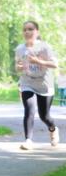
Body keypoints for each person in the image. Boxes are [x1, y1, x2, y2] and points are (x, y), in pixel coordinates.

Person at [14, 20, 58, 150]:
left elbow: (55, 65)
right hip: (27, 82)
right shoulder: (20, 49)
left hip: (44, 84)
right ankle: (28, 140)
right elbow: (17, 66)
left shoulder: (45, 47)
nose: (27, 32)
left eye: (30, 29)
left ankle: (53, 128)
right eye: (25, 30)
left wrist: (37, 61)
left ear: (37, 32)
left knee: (44, 116)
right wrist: (19, 67)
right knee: (29, 110)